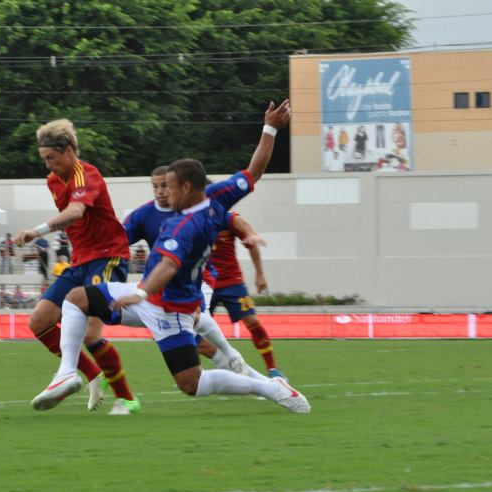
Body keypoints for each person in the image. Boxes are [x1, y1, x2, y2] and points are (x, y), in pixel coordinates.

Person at [31, 100, 309, 414]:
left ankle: (270, 387)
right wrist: (270, 128)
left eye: (170, 188)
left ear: (188, 187)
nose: (164, 194)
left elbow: (168, 265)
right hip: (156, 299)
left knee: (191, 383)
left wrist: (137, 292)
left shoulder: (185, 225)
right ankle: (67, 373)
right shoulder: (217, 195)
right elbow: (254, 170)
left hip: (168, 309)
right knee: (76, 298)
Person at [13, 118, 138, 415]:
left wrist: (37, 230)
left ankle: (128, 399)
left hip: (108, 257)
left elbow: (76, 212)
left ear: (68, 150)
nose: (48, 166)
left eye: (51, 158)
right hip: (79, 261)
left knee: (92, 335)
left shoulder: (87, 174)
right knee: (39, 321)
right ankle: (90, 374)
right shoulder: (53, 181)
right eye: (44, 159)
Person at [124, 166, 266, 381]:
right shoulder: (143, 215)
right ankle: (245, 373)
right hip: (170, 287)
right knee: (195, 340)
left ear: (182, 188)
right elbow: (117, 240)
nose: (162, 191)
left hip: (203, 280)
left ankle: (258, 373)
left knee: (202, 322)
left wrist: (251, 234)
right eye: (156, 186)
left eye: (167, 186)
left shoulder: (196, 206)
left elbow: (233, 219)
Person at [203, 214, 286, 378]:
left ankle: (273, 370)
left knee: (252, 321)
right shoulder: (192, 219)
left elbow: (251, 243)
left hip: (232, 282)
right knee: (195, 330)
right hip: (204, 283)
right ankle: (194, 373)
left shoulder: (229, 219)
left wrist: (260, 274)